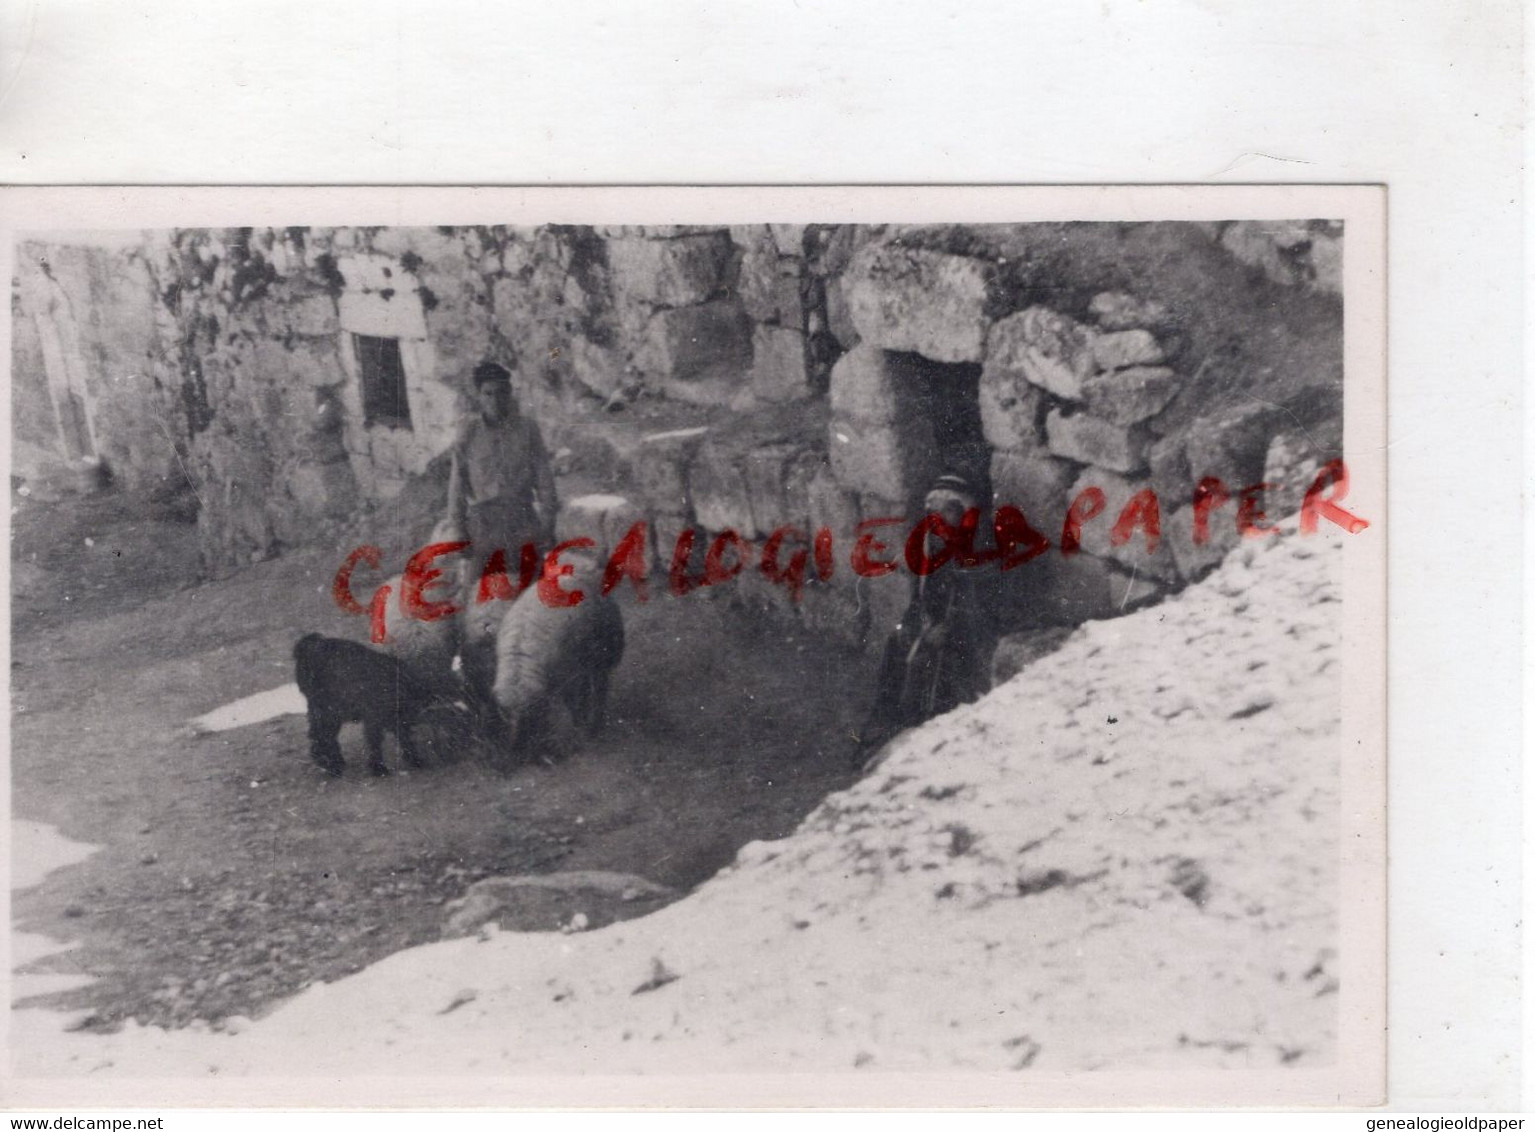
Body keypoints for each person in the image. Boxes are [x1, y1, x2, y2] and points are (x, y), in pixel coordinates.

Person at [445, 360, 559, 711]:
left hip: (522, 522)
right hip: (484, 529)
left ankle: (537, 684)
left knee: (534, 604)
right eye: (488, 393)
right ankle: (475, 687)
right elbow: (456, 488)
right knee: (475, 605)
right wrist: (460, 532)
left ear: (511, 394)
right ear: (478, 397)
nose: (496, 399)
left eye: (502, 392)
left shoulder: (528, 430)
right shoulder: (467, 436)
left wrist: (547, 525)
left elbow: (545, 481)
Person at [857, 472, 993, 757]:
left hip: (966, 626)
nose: (939, 518)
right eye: (933, 512)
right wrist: (923, 623)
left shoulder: (977, 545)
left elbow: (977, 601)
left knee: (927, 661)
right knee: (898, 642)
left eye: (948, 511)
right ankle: (887, 718)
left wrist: (944, 628)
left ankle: (918, 725)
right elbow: (923, 593)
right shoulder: (932, 542)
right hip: (934, 619)